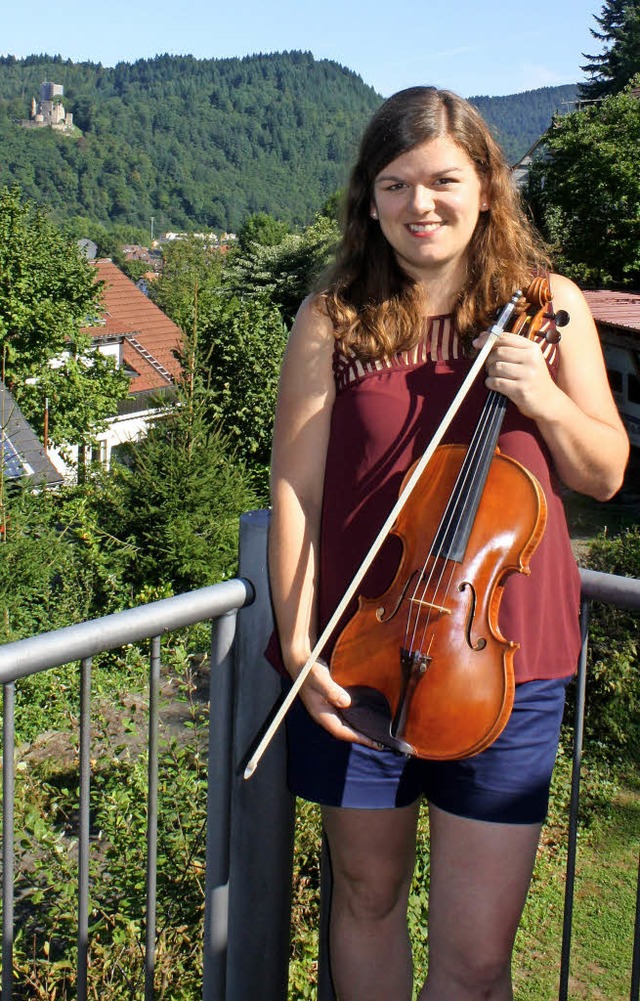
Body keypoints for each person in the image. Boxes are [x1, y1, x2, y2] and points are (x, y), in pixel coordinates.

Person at [266, 86, 629, 1000]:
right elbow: (297, 491)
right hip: (363, 652)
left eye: (441, 180)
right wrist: (301, 639)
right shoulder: (333, 319)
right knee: (367, 895)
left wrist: (542, 397)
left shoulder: (551, 307)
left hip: (505, 666)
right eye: (394, 184)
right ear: (369, 197)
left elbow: (604, 472)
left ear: (485, 188)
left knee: (473, 961)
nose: (418, 204)